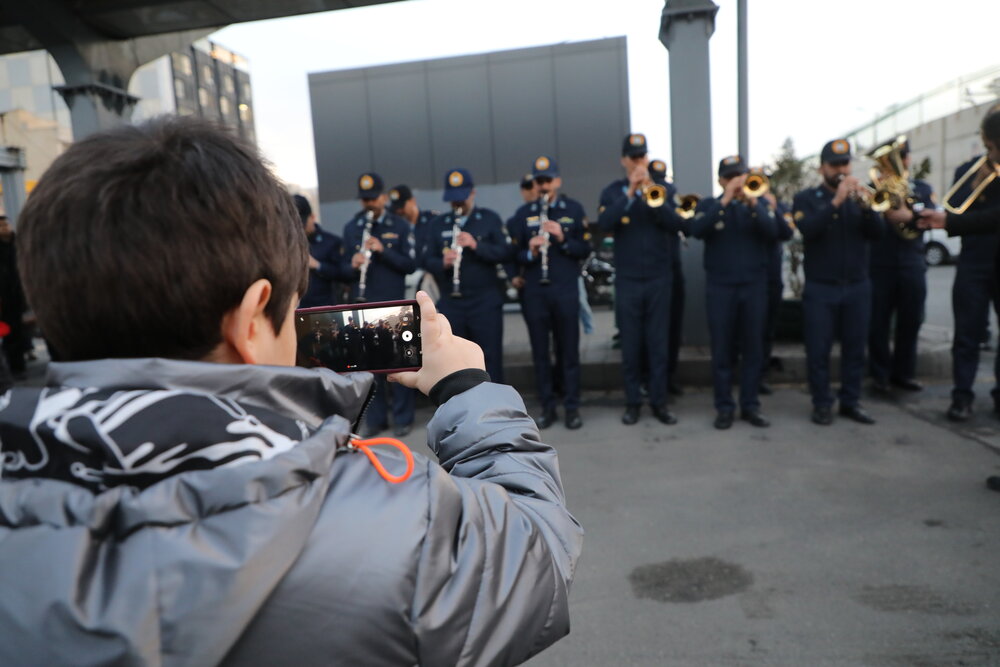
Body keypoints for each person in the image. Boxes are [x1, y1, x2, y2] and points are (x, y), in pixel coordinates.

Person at [0, 116, 582, 665]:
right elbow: (540, 557)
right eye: (290, 308)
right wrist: (464, 385)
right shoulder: (393, 522)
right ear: (252, 319)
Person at [793, 138, 885, 425]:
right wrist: (836, 202)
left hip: (857, 286)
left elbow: (878, 234)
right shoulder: (806, 199)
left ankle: (851, 401)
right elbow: (808, 230)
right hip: (821, 287)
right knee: (818, 350)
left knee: (855, 348)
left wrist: (868, 207)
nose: (841, 169)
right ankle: (822, 403)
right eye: (834, 165)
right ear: (822, 168)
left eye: (845, 163)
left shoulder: (861, 198)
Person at [917, 109, 1000, 421]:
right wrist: (977, 181)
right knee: (967, 334)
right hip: (974, 262)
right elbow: (955, 211)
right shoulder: (970, 170)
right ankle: (961, 397)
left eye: (993, 147)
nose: (990, 153)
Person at [598, 133, 685, 426]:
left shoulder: (664, 190)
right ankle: (633, 402)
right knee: (632, 345)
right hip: (628, 280)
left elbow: (677, 224)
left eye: (642, 156)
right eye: (633, 157)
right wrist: (631, 193)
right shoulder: (612, 192)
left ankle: (659, 402)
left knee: (658, 344)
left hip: (659, 279)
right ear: (624, 160)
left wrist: (652, 195)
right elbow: (605, 224)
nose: (638, 161)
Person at [691, 156, 779, 429]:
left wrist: (753, 202)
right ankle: (724, 407)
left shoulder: (758, 203)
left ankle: (750, 406)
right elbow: (697, 229)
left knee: (753, 349)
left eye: (739, 175)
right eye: (730, 177)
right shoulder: (710, 205)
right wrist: (725, 200)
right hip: (721, 288)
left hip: (754, 287)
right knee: (722, 351)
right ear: (721, 181)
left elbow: (774, 232)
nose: (737, 182)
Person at [508, 156, 590, 430]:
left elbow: (584, 250)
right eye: (538, 181)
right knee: (541, 354)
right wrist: (529, 251)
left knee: (569, 352)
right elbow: (513, 255)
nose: (543, 186)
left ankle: (572, 407)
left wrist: (563, 239)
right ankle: (547, 407)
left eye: (547, 180)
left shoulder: (574, 209)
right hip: (536, 293)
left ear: (557, 181)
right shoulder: (523, 214)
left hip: (565, 290)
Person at [341, 171, 417, 436]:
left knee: (398, 364)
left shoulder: (399, 226)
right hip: (364, 306)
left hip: (393, 305)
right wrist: (352, 264)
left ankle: (403, 418)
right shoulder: (352, 228)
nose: (369, 203)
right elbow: (341, 270)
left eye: (374, 198)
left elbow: (409, 265)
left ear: (384, 197)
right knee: (369, 368)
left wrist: (384, 251)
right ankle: (376, 420)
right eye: (365, 200)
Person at [421, 168, 510, 384]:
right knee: (455, 360)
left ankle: (494, 405)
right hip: (453, 301)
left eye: (461, 199)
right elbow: (426, 259)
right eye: (453, 201)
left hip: (485, 301)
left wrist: (476, 245)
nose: (457, 205)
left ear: (472, 193)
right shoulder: (438, 224)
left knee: (490, 356)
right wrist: (442, 262)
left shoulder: (489, 219)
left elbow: (504, 253)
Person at [867, 139, 935, 395]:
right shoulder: (873, 187)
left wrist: (911, 216)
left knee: (911, 320)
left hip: (912, 262)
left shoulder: (922, 188)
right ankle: (880, 375)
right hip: (880, 263)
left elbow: (932, 217)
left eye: (901, 157)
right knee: (878, 323)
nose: (899, 162)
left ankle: (904, 373)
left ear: (907, 160)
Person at [650, 159, 686, 396]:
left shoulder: (669, 194)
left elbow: (678, 222)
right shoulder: (639, 193)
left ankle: (668, 376)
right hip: (651, 272)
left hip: (672, 270)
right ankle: (650, 379)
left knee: (672, 329)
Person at [759, 187, 795, 394]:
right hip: (751, 278)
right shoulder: (748, 206)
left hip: (771, 277)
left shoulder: (779, 206)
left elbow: (787, 232)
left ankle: (762, 373)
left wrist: (773, 208)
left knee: (767, 329)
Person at [294, 194, 350, 308]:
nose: (301, 229)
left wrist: (317, 265)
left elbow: (342, 273)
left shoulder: (331, 242)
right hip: (301, 307)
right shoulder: (290, 244)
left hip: (327, 306)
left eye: (303, 224)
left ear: (312, 217)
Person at [0, 214, 27, 378]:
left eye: (6, 225)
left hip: (19, 293)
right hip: (4, 296)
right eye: (2, 226)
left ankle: (19, 365)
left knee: (18, 330)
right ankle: (13, 366)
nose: (5, 228)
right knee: (9, 333)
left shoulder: (18, 244)